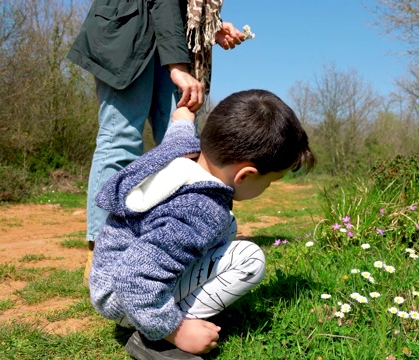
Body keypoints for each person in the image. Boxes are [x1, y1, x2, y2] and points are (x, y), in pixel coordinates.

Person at [89, 89, 316, 359]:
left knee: (226, 226)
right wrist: (175, 330)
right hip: (128, 298)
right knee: (249, 259)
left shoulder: (183, 149)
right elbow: (134, 276)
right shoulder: (201, 210)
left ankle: (172, 313)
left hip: (110, 279)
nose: (266, 188)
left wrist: (184, 113)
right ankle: (158, 338)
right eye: (269, 182)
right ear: (245, 175)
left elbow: (179, 128)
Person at [66, 0, 247, 283]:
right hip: (128, 29)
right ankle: (102, 253)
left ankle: (175, 242)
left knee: (184, 147)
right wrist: (178, 67)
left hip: (169, 38)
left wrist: (209, 28)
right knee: (120, 140)